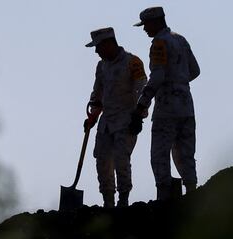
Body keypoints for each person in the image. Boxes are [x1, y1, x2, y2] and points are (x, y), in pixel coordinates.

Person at [131, 7, 200, 201]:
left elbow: (157, 77)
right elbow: (195, 71)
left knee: (160, 154)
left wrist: (141, 105)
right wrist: (179, 82)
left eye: (146, 25)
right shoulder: (180, 39)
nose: (145, 29)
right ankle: (192, 194)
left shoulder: (159, 43)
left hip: (166, 108)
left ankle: (164, 198)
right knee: (186, 152)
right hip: (186, 105)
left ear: (156, 22)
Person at [84, 27, 147, 207]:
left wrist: (139, 115)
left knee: (121, 160)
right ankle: (108, 202)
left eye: (98, 47)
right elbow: (97, 95)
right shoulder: (101, 66)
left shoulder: (132, 62)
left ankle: (124, 201)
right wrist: (93, 117)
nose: (96, 51)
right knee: (102, 161)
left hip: (126, 119)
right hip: (106, 123)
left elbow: (143, 89)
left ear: (109, 43)